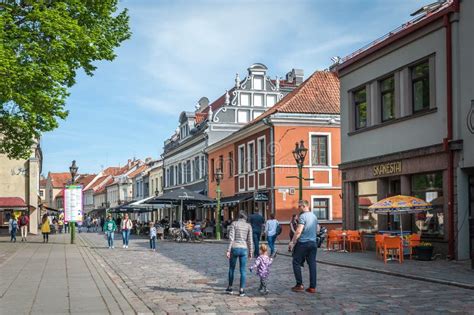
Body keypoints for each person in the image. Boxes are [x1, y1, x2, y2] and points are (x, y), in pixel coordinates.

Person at [288, 200, 318, 293]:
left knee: (296, 262)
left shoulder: (303, 216)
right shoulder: (314, 216)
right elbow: (317, 229)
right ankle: (312, 287)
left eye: (299, 206)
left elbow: (298, 231)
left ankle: (299, 284)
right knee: (312, 264)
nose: (299, 208)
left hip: (303, 243)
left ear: (304, 206)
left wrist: (292, 242)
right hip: (313, 243)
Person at [226, 211, 253, 297]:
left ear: (238, 217)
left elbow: (231, 238)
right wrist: (251, 251)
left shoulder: (234, 224)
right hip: (244, 249)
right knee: (243, 270)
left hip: (234, 247)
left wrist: (228, 250)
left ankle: (230, 288)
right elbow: (250, 240)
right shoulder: (248, 226)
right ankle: (241, 290)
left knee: (231, 269)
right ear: (245, 218)